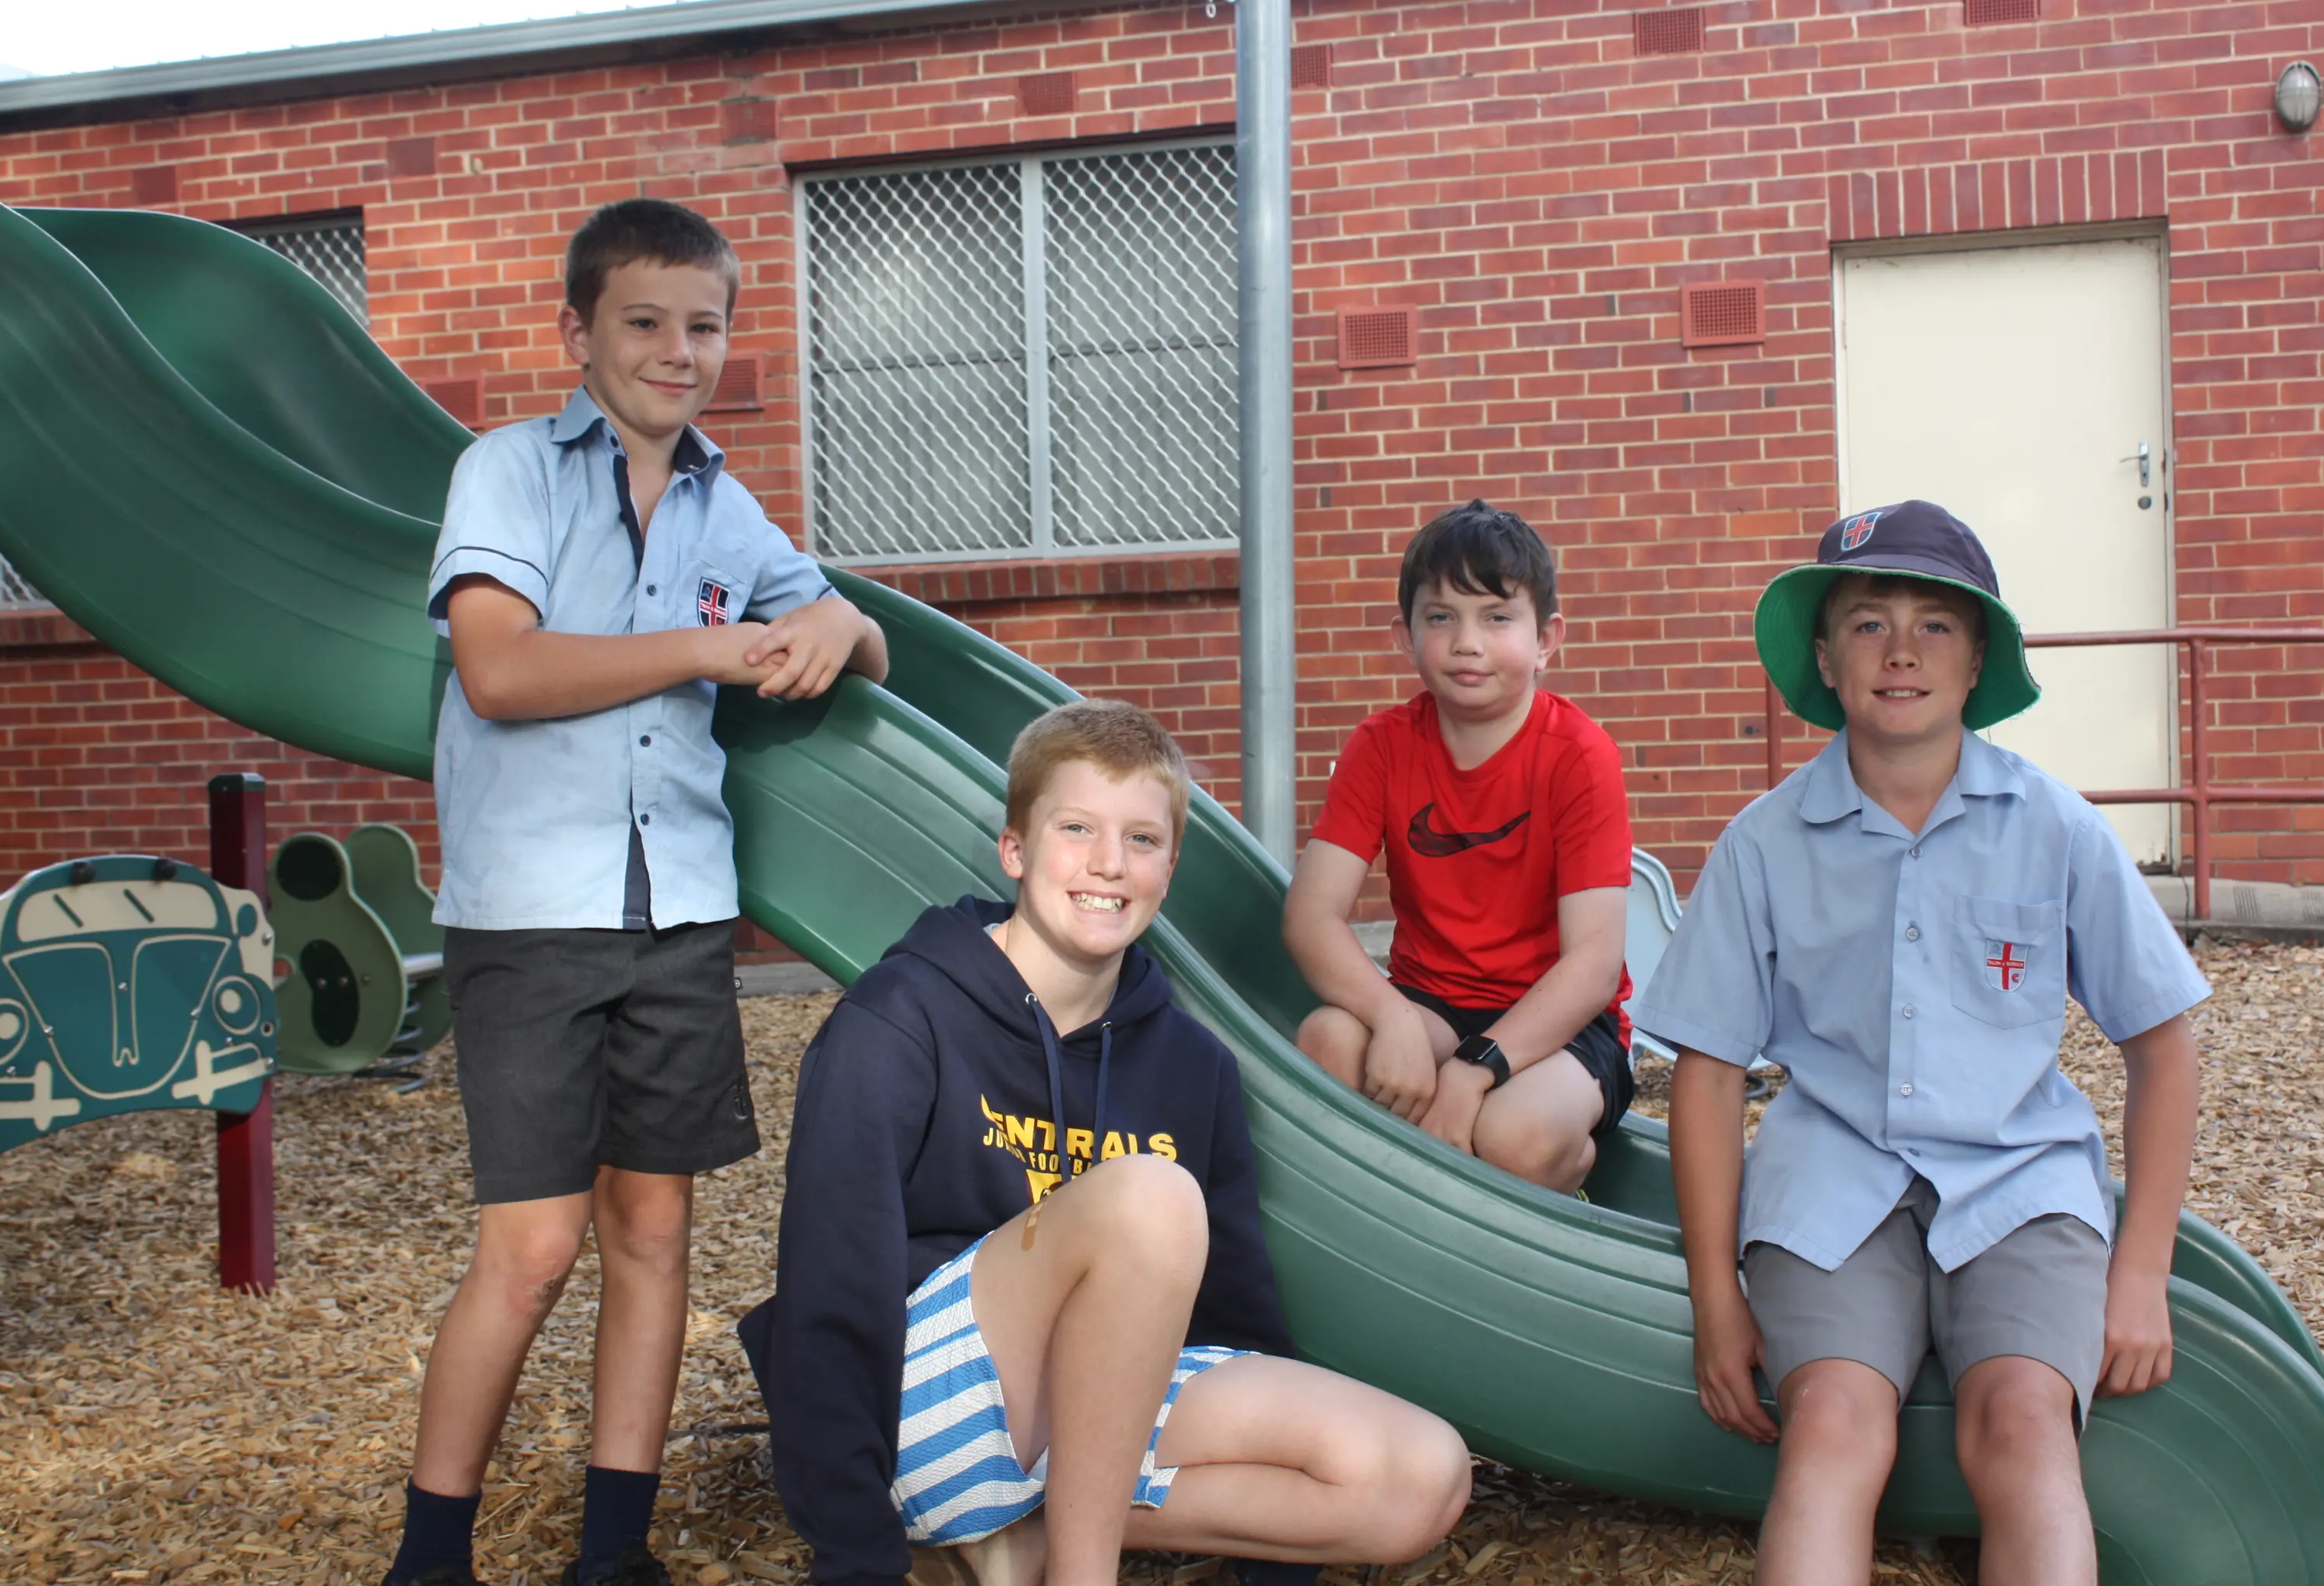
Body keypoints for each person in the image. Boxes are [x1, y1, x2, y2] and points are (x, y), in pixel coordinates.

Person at [385, 198, 889, 1586]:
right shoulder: (508, 474)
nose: (679, 350)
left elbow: (865, 642)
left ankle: (615, 1551)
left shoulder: (730, 507)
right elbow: (501, 669)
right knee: (536, 1246)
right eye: (645, 322)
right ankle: (431, 1555)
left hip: (676, 911)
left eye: (704, 324)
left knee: (653, 1227)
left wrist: (837, 618)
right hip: (532, 912)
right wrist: (703, 653)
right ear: (579, 333)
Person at [740, 699, 1470, 1586]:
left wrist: (1274, 1553)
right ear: (1014, 848)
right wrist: (856, 1555)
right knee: (1151, 1197)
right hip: (921, 1407)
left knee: (1419, 1475)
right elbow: (832, 1289)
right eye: (1076, 827)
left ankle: (1027, 1546)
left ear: (1170, 866)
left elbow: (1233, 1317)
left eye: (1142, 840)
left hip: (1087, 1421)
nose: (1108, 865)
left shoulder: (1192, 1063)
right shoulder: (900, 1019)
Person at [1635, 501, 2208, 1586]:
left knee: (2026, 1420)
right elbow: (1708, 1077)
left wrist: (2142, 1274)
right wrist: (1717, 1302)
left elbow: (2164, 1042)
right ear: (1823, 656)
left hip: (2018, 1183)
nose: (1901, 650)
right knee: (1835, 1422)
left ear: (1978, 654)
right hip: (1832, 1187)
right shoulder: (1763, 846)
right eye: (1866, 622)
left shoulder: (2056, 827)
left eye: (1935, 625)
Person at [1282, 500, 1635, 1193]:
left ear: (1546, 638)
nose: (1467, 641)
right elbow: (1309, 917)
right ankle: (1384, 1233)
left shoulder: (1579, 756)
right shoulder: (1381, 746)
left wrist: (1475, 1071)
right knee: (1329, 1040)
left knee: (1515, 1135)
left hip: (1560, 1024)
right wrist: (1393, 1020)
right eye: (1441, 617)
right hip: (1431, 1001)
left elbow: (1593, 964)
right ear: (1405, 636)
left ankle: (1571, 1175)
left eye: (1497, 617)